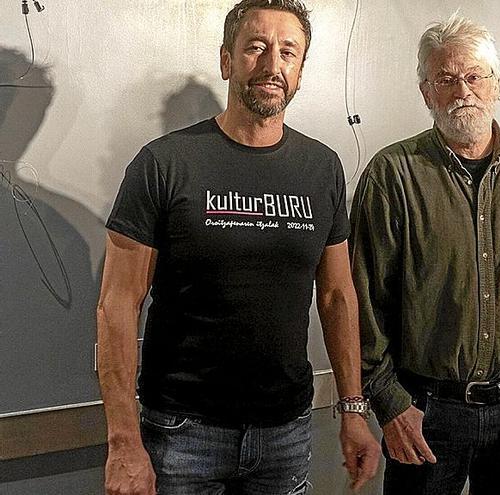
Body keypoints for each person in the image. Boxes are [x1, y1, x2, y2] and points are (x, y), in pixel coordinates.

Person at [96, 1, 380, 494]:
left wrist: (352, 409)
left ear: (300, 71)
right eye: (256, 47)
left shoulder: (323, 168)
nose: (273, 65)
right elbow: (117, 306)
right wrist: (123, 441)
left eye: (288, 52)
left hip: (286, 433)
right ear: (227, 60)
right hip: (181, 435)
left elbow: (338, 297)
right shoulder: (164, 163)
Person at [349, 12, 500, 495]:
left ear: (496, 85)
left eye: (474, 76)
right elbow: (363, 300)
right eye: (444, 79)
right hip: (424, 412)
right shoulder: (392, 174)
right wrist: (390, 404)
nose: (462, 90)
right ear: (426, 93)